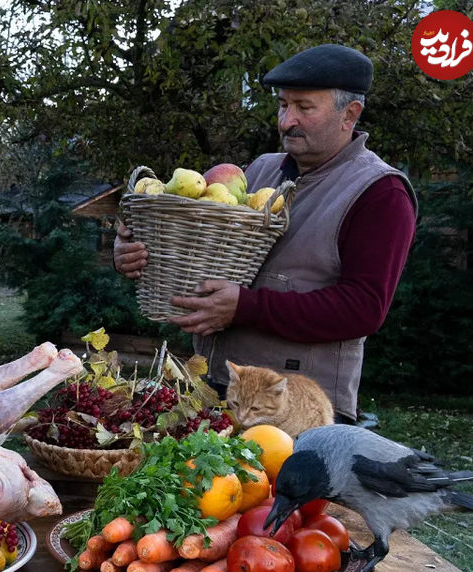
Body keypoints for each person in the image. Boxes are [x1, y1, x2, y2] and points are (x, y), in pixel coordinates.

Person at [112, 44, 417, 424]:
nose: (287, 121)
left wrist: (245, 307)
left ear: (349, 115)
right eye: (282, 105)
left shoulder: (380, 192)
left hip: (299, 413)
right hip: (216, 390)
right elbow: (198, 245)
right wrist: (136, 246)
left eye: (304, 108)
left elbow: (364, 308)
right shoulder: (257, 172)